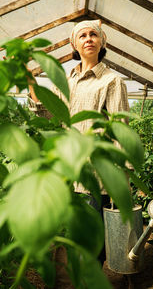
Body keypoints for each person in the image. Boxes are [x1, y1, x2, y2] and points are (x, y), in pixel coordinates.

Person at [29, 19, 130, 266]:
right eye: (82, 35)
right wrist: (28, 79)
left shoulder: (111, 81)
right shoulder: (66, 81)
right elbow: (44, 112)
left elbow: (120, 130)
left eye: (93, 35)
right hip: (68, 170)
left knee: (94, 239)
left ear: (101, 42)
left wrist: (123, 176)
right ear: (74, 44)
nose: (88, 39)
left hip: (97, 173)